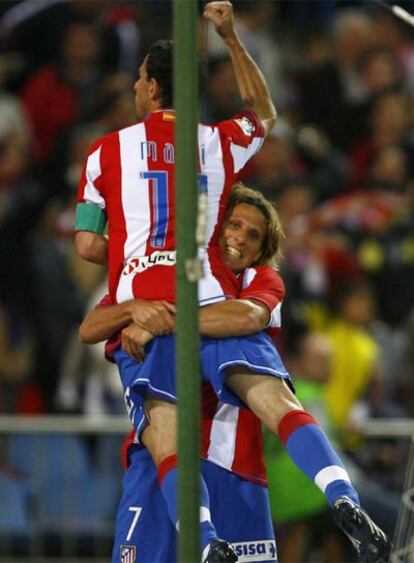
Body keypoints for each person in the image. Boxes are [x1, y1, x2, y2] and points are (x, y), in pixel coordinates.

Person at [75, 3, 390, 561]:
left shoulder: (104, 153)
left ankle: (207, 540)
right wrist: (230, 35)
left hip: (147, 299)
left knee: (164, 423)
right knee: (276, 397)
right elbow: (264, 112)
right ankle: (340, 491)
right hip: (208, 290)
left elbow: (87, 246)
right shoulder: (217, 145)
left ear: (149, 87)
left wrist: (134, 263)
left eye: (139, 79)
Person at [80, 184, 390, 563]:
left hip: (232, 457)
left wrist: (162, 321)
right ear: (213, 228)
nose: (240, 237)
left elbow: (248, 315)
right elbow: (90, 328)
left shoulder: (258, 280)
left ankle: (340, 497)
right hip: (162, 466)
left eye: (253, 235)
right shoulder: (160, 276)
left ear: (262, 250)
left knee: (242, 340)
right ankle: (337, 491)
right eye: (235, 225)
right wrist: (137, 309)